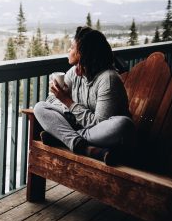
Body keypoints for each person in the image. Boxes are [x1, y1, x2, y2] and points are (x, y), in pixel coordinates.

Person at [33, 26, 134, 165]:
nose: (69, 50)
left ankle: (62, 138)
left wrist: (68, 102)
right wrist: (63, 103)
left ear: (83, 53)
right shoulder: (74, 73)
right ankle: (83, 146)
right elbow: (50, 100)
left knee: (124, 125)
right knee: (40, 107)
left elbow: (98, 124)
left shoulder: (108, 79)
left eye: (72, 47)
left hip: (102, 134)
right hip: (81, 130)